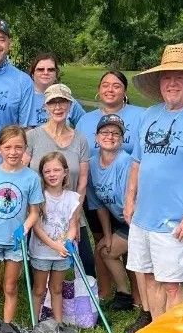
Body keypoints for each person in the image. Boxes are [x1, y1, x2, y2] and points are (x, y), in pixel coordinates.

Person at [123, 44, 183, 333]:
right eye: (167, 77)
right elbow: (137, 163)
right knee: (150, 277)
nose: (172, 83)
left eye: (179, 76)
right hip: (143, 217)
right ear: (159, 82)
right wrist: (130, 200)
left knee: (172, 284)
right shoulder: (150, 115)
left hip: (175, 221)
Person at [75, 70, 144, 300]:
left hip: (133, 200)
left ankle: (136, 296)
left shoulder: (140, 116)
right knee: (103, 243)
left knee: (132, 249)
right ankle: (105, 292)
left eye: (116, 85)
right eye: (105, 84)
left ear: (125, 91)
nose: (110, 89)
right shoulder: (85, 120)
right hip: (102, 194)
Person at [0, 125, 43, 324]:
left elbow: (34, 212)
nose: (13, 152)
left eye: (18, 147)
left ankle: (7, 329)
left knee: (10, 287)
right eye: (8, 147)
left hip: (15, 242)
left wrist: (25, 227)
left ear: (25, 149)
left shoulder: (31, 178)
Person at [25, 83, 96, 280]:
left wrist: (75, 216)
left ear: (70, 105)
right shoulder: (32, 137)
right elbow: (22, 173)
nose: (58, 107)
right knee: (37, 269)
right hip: (39, 211)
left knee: (86, 263)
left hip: (70, 209)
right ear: (45, 106)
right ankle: (46, 303)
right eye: (53, 103)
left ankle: (85, 304)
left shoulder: (80, 140)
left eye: (62, 102)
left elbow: (82, 181)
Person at [86, 114, 138, 311]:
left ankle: (127, 295)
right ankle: (124, 294)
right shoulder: (91, 164)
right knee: (104, 247)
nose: (110, 136)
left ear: (122, 139)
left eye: (116, 133)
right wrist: (107, 235)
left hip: (136, 218)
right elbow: (98, 204)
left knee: (109, 252)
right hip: (119, 219)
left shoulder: (126, 162)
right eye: (105, 132)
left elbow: (132, 202)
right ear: (97, 137)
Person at [29, 152, 81, 323]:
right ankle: (34, 324)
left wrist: (68, 241)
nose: (52, 174)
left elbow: (73, 225)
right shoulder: (39, 197)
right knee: (39, 289)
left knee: (56, 289)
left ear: (65, 172)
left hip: (62, 253)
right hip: (42, 253)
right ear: (42, 175)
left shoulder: (72, 198)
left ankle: (58, 324)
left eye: (56, 170)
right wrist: (55, 245)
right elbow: (36, 228)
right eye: (47, 171)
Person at [29, 53, 85, 127]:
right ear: (32, 74)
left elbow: (86, 124)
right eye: (40, 69)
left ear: (56, 74)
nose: (45, 72)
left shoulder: (66, 98)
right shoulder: (25, 98)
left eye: (51, 70)